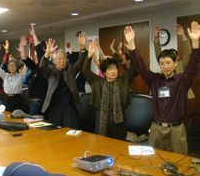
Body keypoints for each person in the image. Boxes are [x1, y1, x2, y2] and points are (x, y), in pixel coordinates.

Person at [124, 22, 200, 155]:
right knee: (154, 162)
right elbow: (141, 67)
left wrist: (195, 42)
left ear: (176, 63)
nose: (165, 66)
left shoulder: (182, 80)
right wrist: (131, 45)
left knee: (178, 163)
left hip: (176, 129)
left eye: (168, 63)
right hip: (156, 129)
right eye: (162, 63)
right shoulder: (155, 80)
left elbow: (193, 66)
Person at [82, 38, 138, 140]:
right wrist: (89, 56)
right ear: (104, 72)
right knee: (101, 144)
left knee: (119, 146)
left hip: (119, 119)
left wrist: (133, 51)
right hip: (102, 119)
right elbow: (85, 71)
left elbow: (133, 68)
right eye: (110, 69)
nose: (113, 72)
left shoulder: (123, 80)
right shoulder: (97, 81)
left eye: (115, 69)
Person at [39, 32, 88, 129]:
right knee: (55, 134)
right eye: (59, 58)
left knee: (71, 134)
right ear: (54, 61)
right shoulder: (50, 71)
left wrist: (83, 48)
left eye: (64, 58)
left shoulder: (70, 69)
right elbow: (42, 66)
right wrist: (47, 53)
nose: (62, 61)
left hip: (69, 108)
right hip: (55, 109)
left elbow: (80, 62)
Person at [154, 24, 195, 99]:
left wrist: (183, 37)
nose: (165, 66)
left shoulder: (182, 64)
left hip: (182, 96)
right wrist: (157, 39)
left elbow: (188, 54)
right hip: (167, 95)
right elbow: (159, 55)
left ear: (176, 59)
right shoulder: (164, 69)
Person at [19, 26, 48, 115]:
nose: (35, 57)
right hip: (33, 101)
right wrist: (23, 47)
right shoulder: (34, 67)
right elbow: (25, 59)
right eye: (34, 56)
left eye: (36, 56)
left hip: (39, 102)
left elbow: (40, 53)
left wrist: (34, 36)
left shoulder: (44, 68)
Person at [0, 40, 28, 112]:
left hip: (17, 99)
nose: (12, 67)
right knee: (6, 117)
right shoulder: (5, 76)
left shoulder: (20, 76)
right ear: (8, 68)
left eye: (14, 66)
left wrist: (23, 52)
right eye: (10, 66)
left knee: (17, 118)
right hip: (7, 98)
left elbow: (26, 66)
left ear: (16, 67)